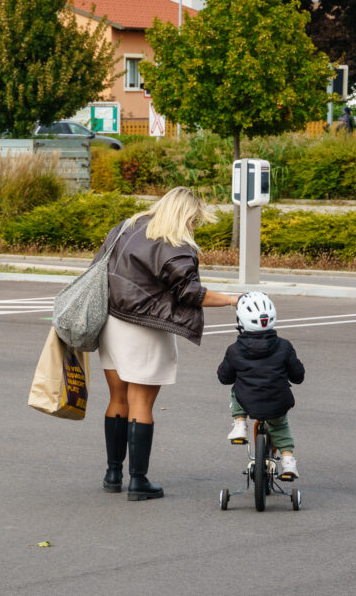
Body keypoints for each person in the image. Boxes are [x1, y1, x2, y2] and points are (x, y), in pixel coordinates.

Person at [95, 187, 241, 501]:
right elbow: (190, 292)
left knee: (118, 399)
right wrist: (232, 300)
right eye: (193, 220)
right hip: (145, 328)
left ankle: (112, 474)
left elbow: (98, 268)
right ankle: (138, 482)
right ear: (184, 215)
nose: (193, 227)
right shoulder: (173, 244)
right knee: (141, 404)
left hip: (110, 323)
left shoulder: (125, 227)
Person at [218, 292, 305, 480]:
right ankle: (288, 462)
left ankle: (240, 424)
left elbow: (224, 378)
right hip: (277, 401)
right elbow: (298, 377)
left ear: (241, 321)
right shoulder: (284, 346)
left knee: (236, 388)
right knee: (280, 427)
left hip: (248, 400)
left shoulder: (234, 350)